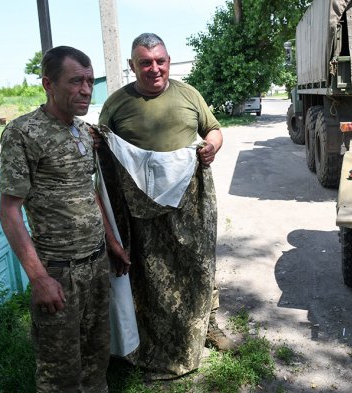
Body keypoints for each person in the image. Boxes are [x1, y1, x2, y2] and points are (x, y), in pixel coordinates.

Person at [96, 32, 235, 379]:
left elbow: (214, 129)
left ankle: (207, 327)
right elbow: (102, 155)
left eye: (160, 61)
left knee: (199, 263)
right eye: (145, 62)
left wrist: (211, 147)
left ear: (169, 61)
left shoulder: (188, 94)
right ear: (132, 66)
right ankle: (146, 340)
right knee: (147, 273)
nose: (154, 68)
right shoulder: (116, 104)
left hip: (189, 201)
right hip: (139, 208)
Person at [0, 46, 130, 393]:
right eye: (75, 82)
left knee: (96, 358)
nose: (86, 89)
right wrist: (39, 278)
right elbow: (9, 212)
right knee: (60, 372)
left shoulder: (84, 133)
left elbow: (91, 192)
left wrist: (113, 244)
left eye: (88, 81)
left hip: (96, 263)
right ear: (48, 84)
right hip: (59, 271)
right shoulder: (23, 133)